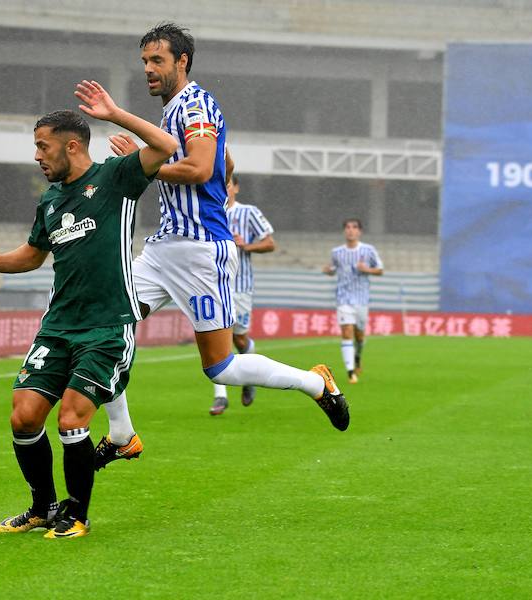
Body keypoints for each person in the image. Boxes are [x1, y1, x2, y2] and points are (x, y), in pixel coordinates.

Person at [95, 22, 349, 471]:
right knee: (103, 319)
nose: (149, 70)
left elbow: (197, 167)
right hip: (161, 249)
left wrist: (136, 162)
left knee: (221, 368)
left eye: (157, 60)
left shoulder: (195, 103)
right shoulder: (177, 110)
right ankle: (121, 435)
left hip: (200, 250)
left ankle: (316, 383)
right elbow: (222, 160)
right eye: (144, 62)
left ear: (182, 61)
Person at [0, 82, 177, 539]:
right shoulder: (50, 201)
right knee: (24, 415)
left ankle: (77, 514)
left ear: (72, 146)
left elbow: (167, 145)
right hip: (58, 327)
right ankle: (42, 507)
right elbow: (33, 256)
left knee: (72, 418)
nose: (37, 155)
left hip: (107, 326)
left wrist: (113, 114)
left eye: (42, 145)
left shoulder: (116, 178)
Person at [209, 173, 276, 415]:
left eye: (228, 184)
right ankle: (220, 396)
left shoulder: (248, 213)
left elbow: (270, 243)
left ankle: (248, 375)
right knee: (215, 337)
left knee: (238, 339)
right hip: (213, 283)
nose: (224, 189)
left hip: (241, 286)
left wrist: (246, 245)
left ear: (236, 187)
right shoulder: (207, 210)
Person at [322, 218, 384, 383]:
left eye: (354, 227)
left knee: (360, 335)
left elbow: (380, 270)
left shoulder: (368, 250)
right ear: (344, 231)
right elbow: (333, 268)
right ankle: (350, 371)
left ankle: (357, 356)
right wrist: (328, 270)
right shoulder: (336, 252)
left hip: (362, 299)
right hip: (343, 298)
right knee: (347, 332)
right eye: (348, 227)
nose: (350, 230)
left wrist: (367, 269)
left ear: (359, 231)